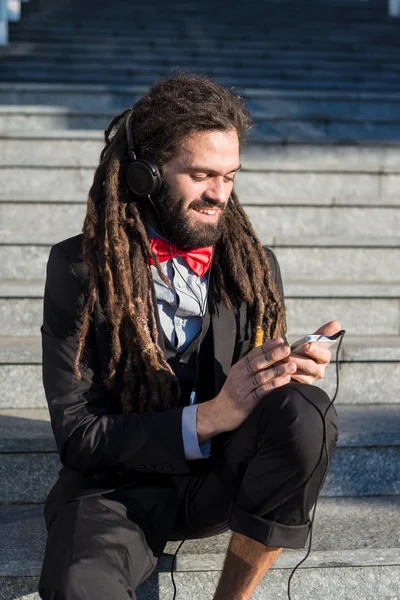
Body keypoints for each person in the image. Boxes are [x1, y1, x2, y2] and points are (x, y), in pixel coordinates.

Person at [38, 72, 340, 600]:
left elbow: (266, 413)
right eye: (201, 175)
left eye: (230, 176)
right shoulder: (79, 268)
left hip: (219, 481)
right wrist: (210, 417)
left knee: (306, 409)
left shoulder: (253, 266)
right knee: (79, 585)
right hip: (114, 485)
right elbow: (79, 435)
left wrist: (285, 373)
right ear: (144, 175)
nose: (219, 195)